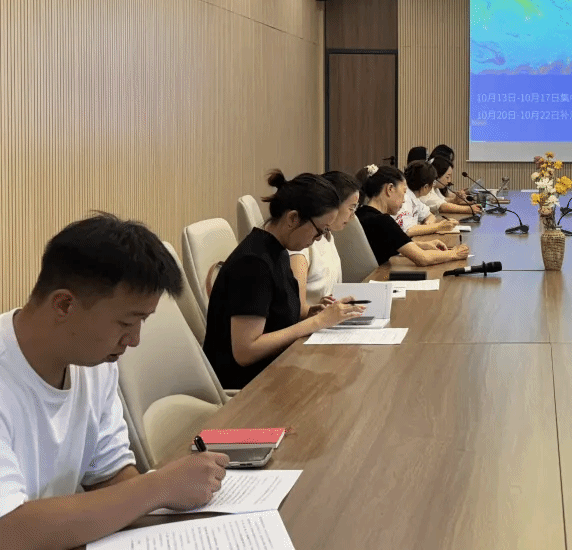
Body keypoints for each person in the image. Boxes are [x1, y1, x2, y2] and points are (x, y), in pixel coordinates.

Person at [0, 215, 230, 550]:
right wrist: (159, 486)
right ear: (64, 304)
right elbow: (9, 531)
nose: (134, 340)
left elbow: (107, 475)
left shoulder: (94, 362)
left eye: (142, 322)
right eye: (126, 322)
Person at [203, 171, 367, 389]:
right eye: (319, 232)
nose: (317, 240)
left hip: (277, 368)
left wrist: (315, 312)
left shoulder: (278, 249)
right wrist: (316, 322)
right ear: (293, 218)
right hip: (249, 387)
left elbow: (280, 314)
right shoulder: (254, 264)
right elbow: (245, 352)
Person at [357, 165, 470, 267]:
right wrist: (454, 253)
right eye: (404, 192)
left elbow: (394, 243)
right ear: (390, 189)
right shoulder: (383, 221)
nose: (404, 200)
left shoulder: (361, 213)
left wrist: (423, 245)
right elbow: (423, 259)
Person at [288, 170, 361, 316]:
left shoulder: (327, 236)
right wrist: (319, 309)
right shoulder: (301, 245)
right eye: (351, 208)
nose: (353, 216)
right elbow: (298, 309)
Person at [397, 161, 457, 237]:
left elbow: (429, 215)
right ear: (425, 187)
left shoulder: (414, 197)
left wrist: (429, 224)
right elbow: (408, 231)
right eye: (433, 183)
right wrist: (439, 226)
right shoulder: (404, 199)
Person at [418, 155, 482, 216]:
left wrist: (455, 200)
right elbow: (442, 207)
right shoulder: (425, 189)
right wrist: (469, 209)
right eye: (447, 177)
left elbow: (443, 200)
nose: (449, 181)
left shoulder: (435, 188)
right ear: (436, 176)